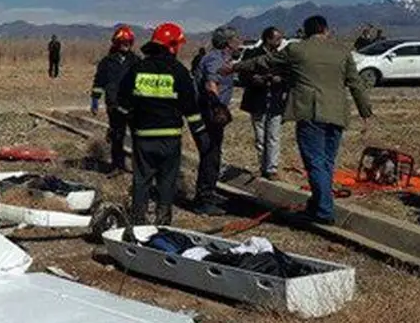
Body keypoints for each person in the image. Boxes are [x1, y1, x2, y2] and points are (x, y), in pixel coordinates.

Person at [222, 14, 374, 225]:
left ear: (305, 32)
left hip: (311, 113)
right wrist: (365, 112)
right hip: (337, 113)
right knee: (327, 163)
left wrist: (235, 67)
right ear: (326, 30)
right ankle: (318, 202)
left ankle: (323, 211)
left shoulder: (296, 50)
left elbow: (264, 62)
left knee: (315, 162)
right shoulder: (342, 51)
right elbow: (356, 83)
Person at [116, 22, 207, 226]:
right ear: (172, 46)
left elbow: (122, 104)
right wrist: (201, 137)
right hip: (170, 139)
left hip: (143, 138)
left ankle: (137, 222)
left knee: (141, 180)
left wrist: (118, 131)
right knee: (167, 182)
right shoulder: (179, 72)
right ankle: (163, 224)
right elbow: (191, 109)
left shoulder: (137, 69)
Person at [189, 26, 244, 216]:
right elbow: (210, 83)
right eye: (237, 39)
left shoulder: (225, 60)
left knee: (214, 154)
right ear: (228, 43)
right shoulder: (214, 58)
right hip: (207, 113)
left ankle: (209, 193)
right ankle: (202, 201)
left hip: (213, 114)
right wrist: (217, 106)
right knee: (209, 154)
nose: (240, 42)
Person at [239, 26, 290, 180]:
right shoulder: (251, 54)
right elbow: (242, 75)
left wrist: (280, 80)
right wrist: (255, 79)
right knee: (260, 136)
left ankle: (271, 169)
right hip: (258, 99)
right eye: (277, 39)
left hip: (275, 100)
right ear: (268, 39)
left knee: (273, 136)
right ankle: (262, 166)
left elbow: (290, 76)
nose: (280, 41)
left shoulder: (282, 57)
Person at [90, 25, 139, 175]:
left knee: (137, 137)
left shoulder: (137, 61)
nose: (126, 44)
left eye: (128, 41)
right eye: (123, 41)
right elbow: (99, 82)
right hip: (114, 105)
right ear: (116, 43)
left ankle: (139, 169)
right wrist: (95, 101)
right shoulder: (106, 62)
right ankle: (117, 166)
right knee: (117, 136)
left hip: (133, 106)